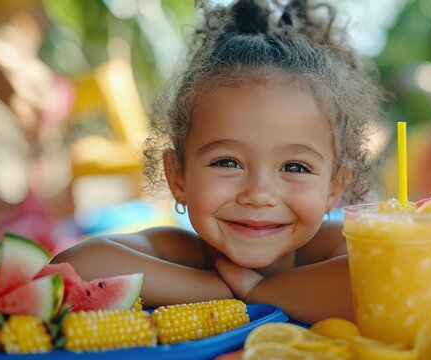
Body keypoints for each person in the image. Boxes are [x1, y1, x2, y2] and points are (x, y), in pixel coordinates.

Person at [52, 0, 384, 324]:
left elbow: (379, 282)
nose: (258, 194)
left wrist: (259, 290)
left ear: (334, 186)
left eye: (294, 167)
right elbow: (73, 267)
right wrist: (217, 289)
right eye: (227, 162)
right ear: (178, 177)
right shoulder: (186, 252)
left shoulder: (335, 243)